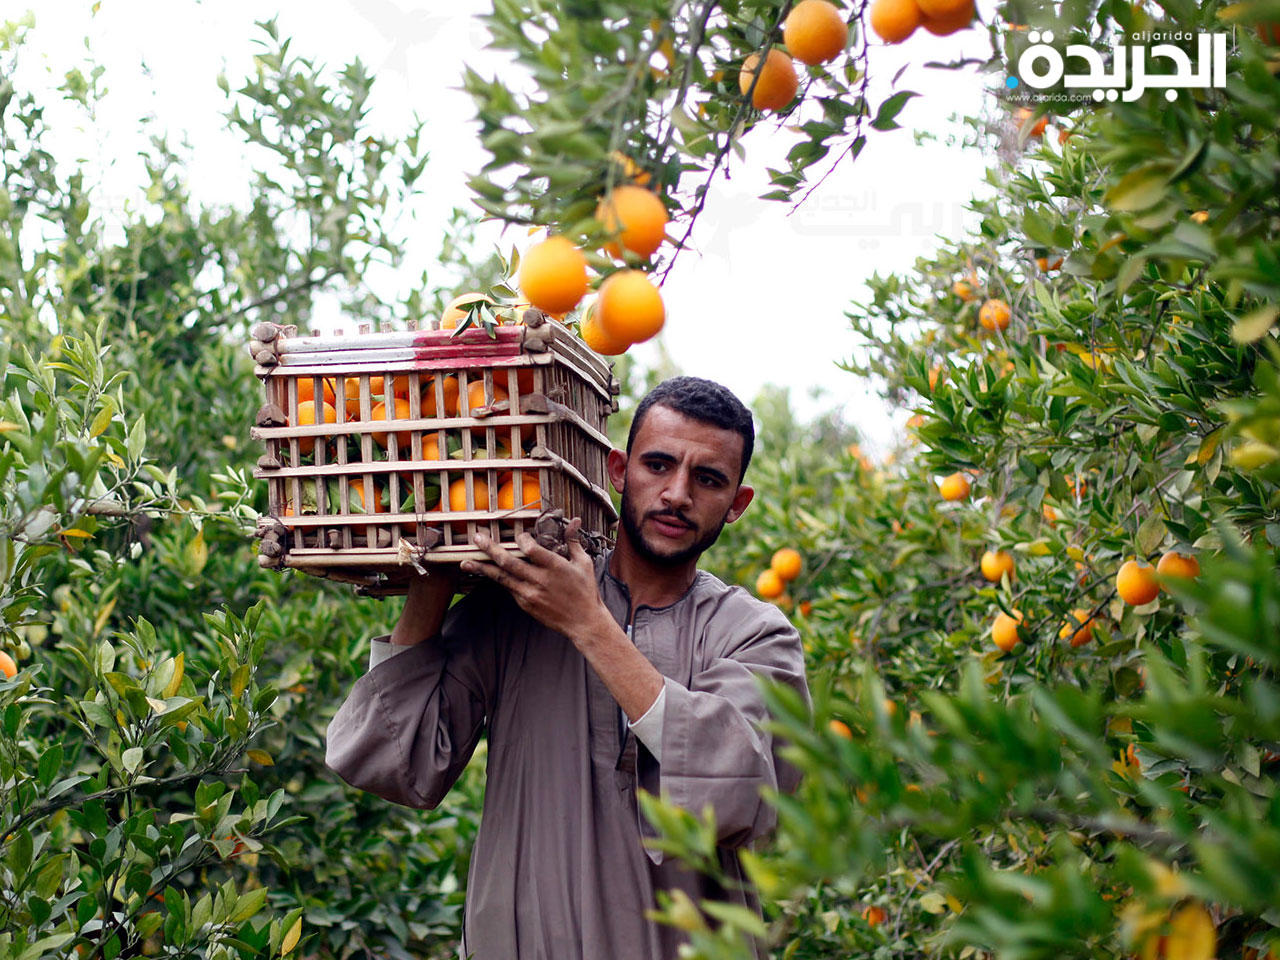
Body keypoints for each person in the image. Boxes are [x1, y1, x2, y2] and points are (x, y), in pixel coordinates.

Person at [326, 376, 811, 960]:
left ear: (737, 503)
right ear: (618, 470)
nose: (677, 494)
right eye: (658, 465)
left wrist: (589, 624)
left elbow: (744, 793)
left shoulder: (756, 635)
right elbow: (394, 762)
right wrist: (433, 566)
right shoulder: (523, 601)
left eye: (708, 479)